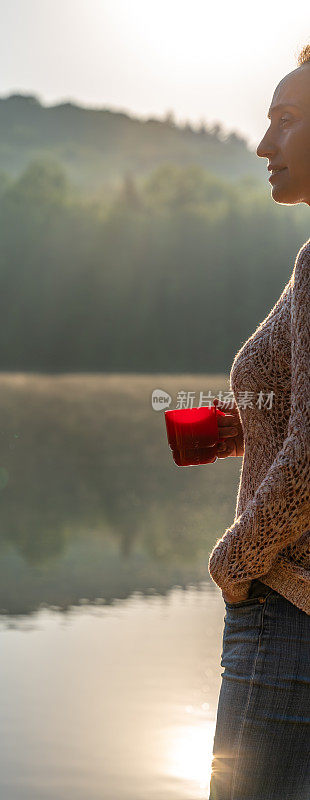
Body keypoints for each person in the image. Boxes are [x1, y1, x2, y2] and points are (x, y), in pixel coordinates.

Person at [206, 46, 310, 800]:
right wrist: (255, 421)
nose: (262, 144)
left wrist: (235, 563)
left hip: (288, 611)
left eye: (284, 121)